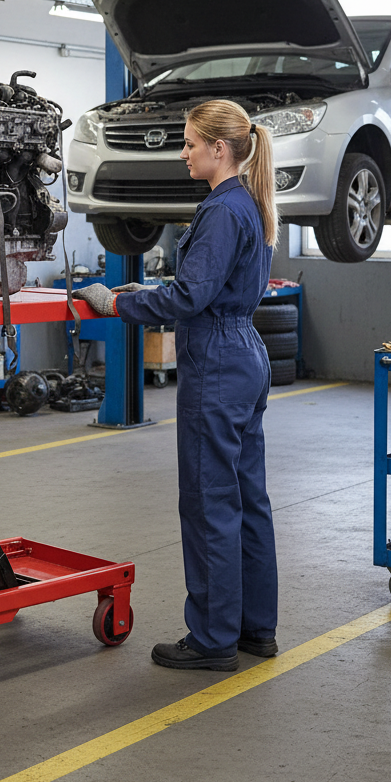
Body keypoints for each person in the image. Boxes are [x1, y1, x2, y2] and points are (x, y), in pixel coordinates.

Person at [77, 99, 279, 672]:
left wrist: (119, 301)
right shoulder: (247, 204)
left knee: (210, 499)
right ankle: (255, 628)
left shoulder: (221, 209)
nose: (183, 152)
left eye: (190, 143)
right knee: (247, 499)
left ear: (220, 148)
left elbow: (190, 297)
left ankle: (213, 640)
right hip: (245, 353)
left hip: (216, 357)